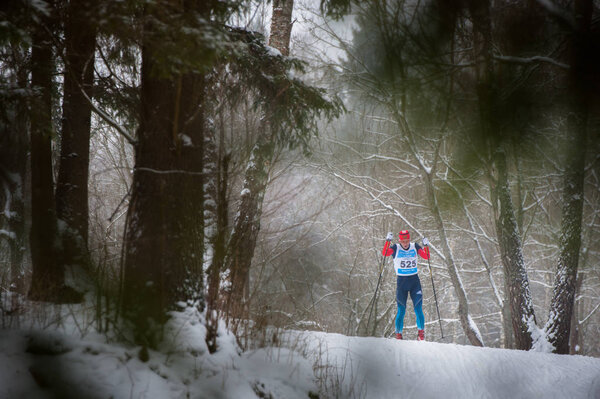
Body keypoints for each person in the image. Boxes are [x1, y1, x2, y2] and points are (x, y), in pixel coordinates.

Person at [383, 230, 430, 340]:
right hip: (401, 283)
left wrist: (426, 245)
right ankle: (398, 335)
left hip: (415, 282)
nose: (405, 243)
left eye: (407, 240)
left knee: (418, 309)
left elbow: (426, 256)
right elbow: (385, 253)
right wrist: (388, 241)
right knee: (401, 310)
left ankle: (421, 334)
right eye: (403, 241)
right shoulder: (395, 247)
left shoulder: (415, 246)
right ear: (400, 240)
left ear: (409, 240)